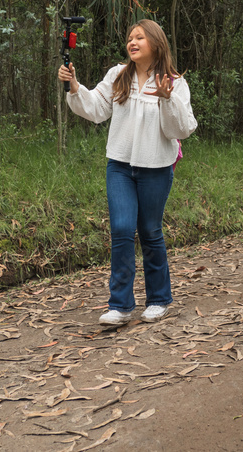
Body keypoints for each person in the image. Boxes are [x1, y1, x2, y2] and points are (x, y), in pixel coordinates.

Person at [58, 19, 197, 325]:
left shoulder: (174, 82)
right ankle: (120, 306)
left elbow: (181, 129)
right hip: (119, 166)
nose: (132, 42)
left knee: (150, 231)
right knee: (121, 229)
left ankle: (158, 299)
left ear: (156, 43)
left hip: (156, 168)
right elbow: (96, 108)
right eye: (130, 38)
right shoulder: (118, 74)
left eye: (139, 38)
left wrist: (167, 99)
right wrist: (74, 85)